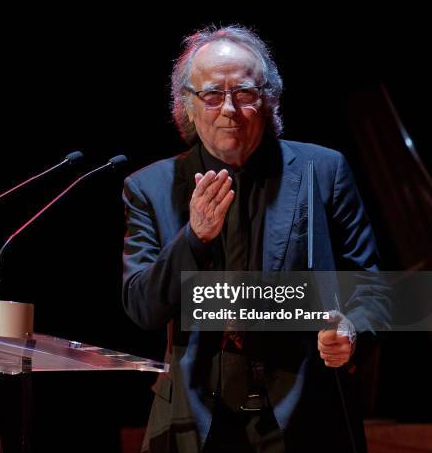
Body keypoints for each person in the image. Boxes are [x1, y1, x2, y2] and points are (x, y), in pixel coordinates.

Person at [122, 25, 387, 453]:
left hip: (305, 415)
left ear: (269, 100)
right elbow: (142, 308)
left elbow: (373, 287)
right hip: (193, 421)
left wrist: (352, 329)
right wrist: (193, 238)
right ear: (187, 106)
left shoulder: (324, 170)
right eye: (211, 95)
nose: (229, 109)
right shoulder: (149, 187)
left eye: (244, 93)